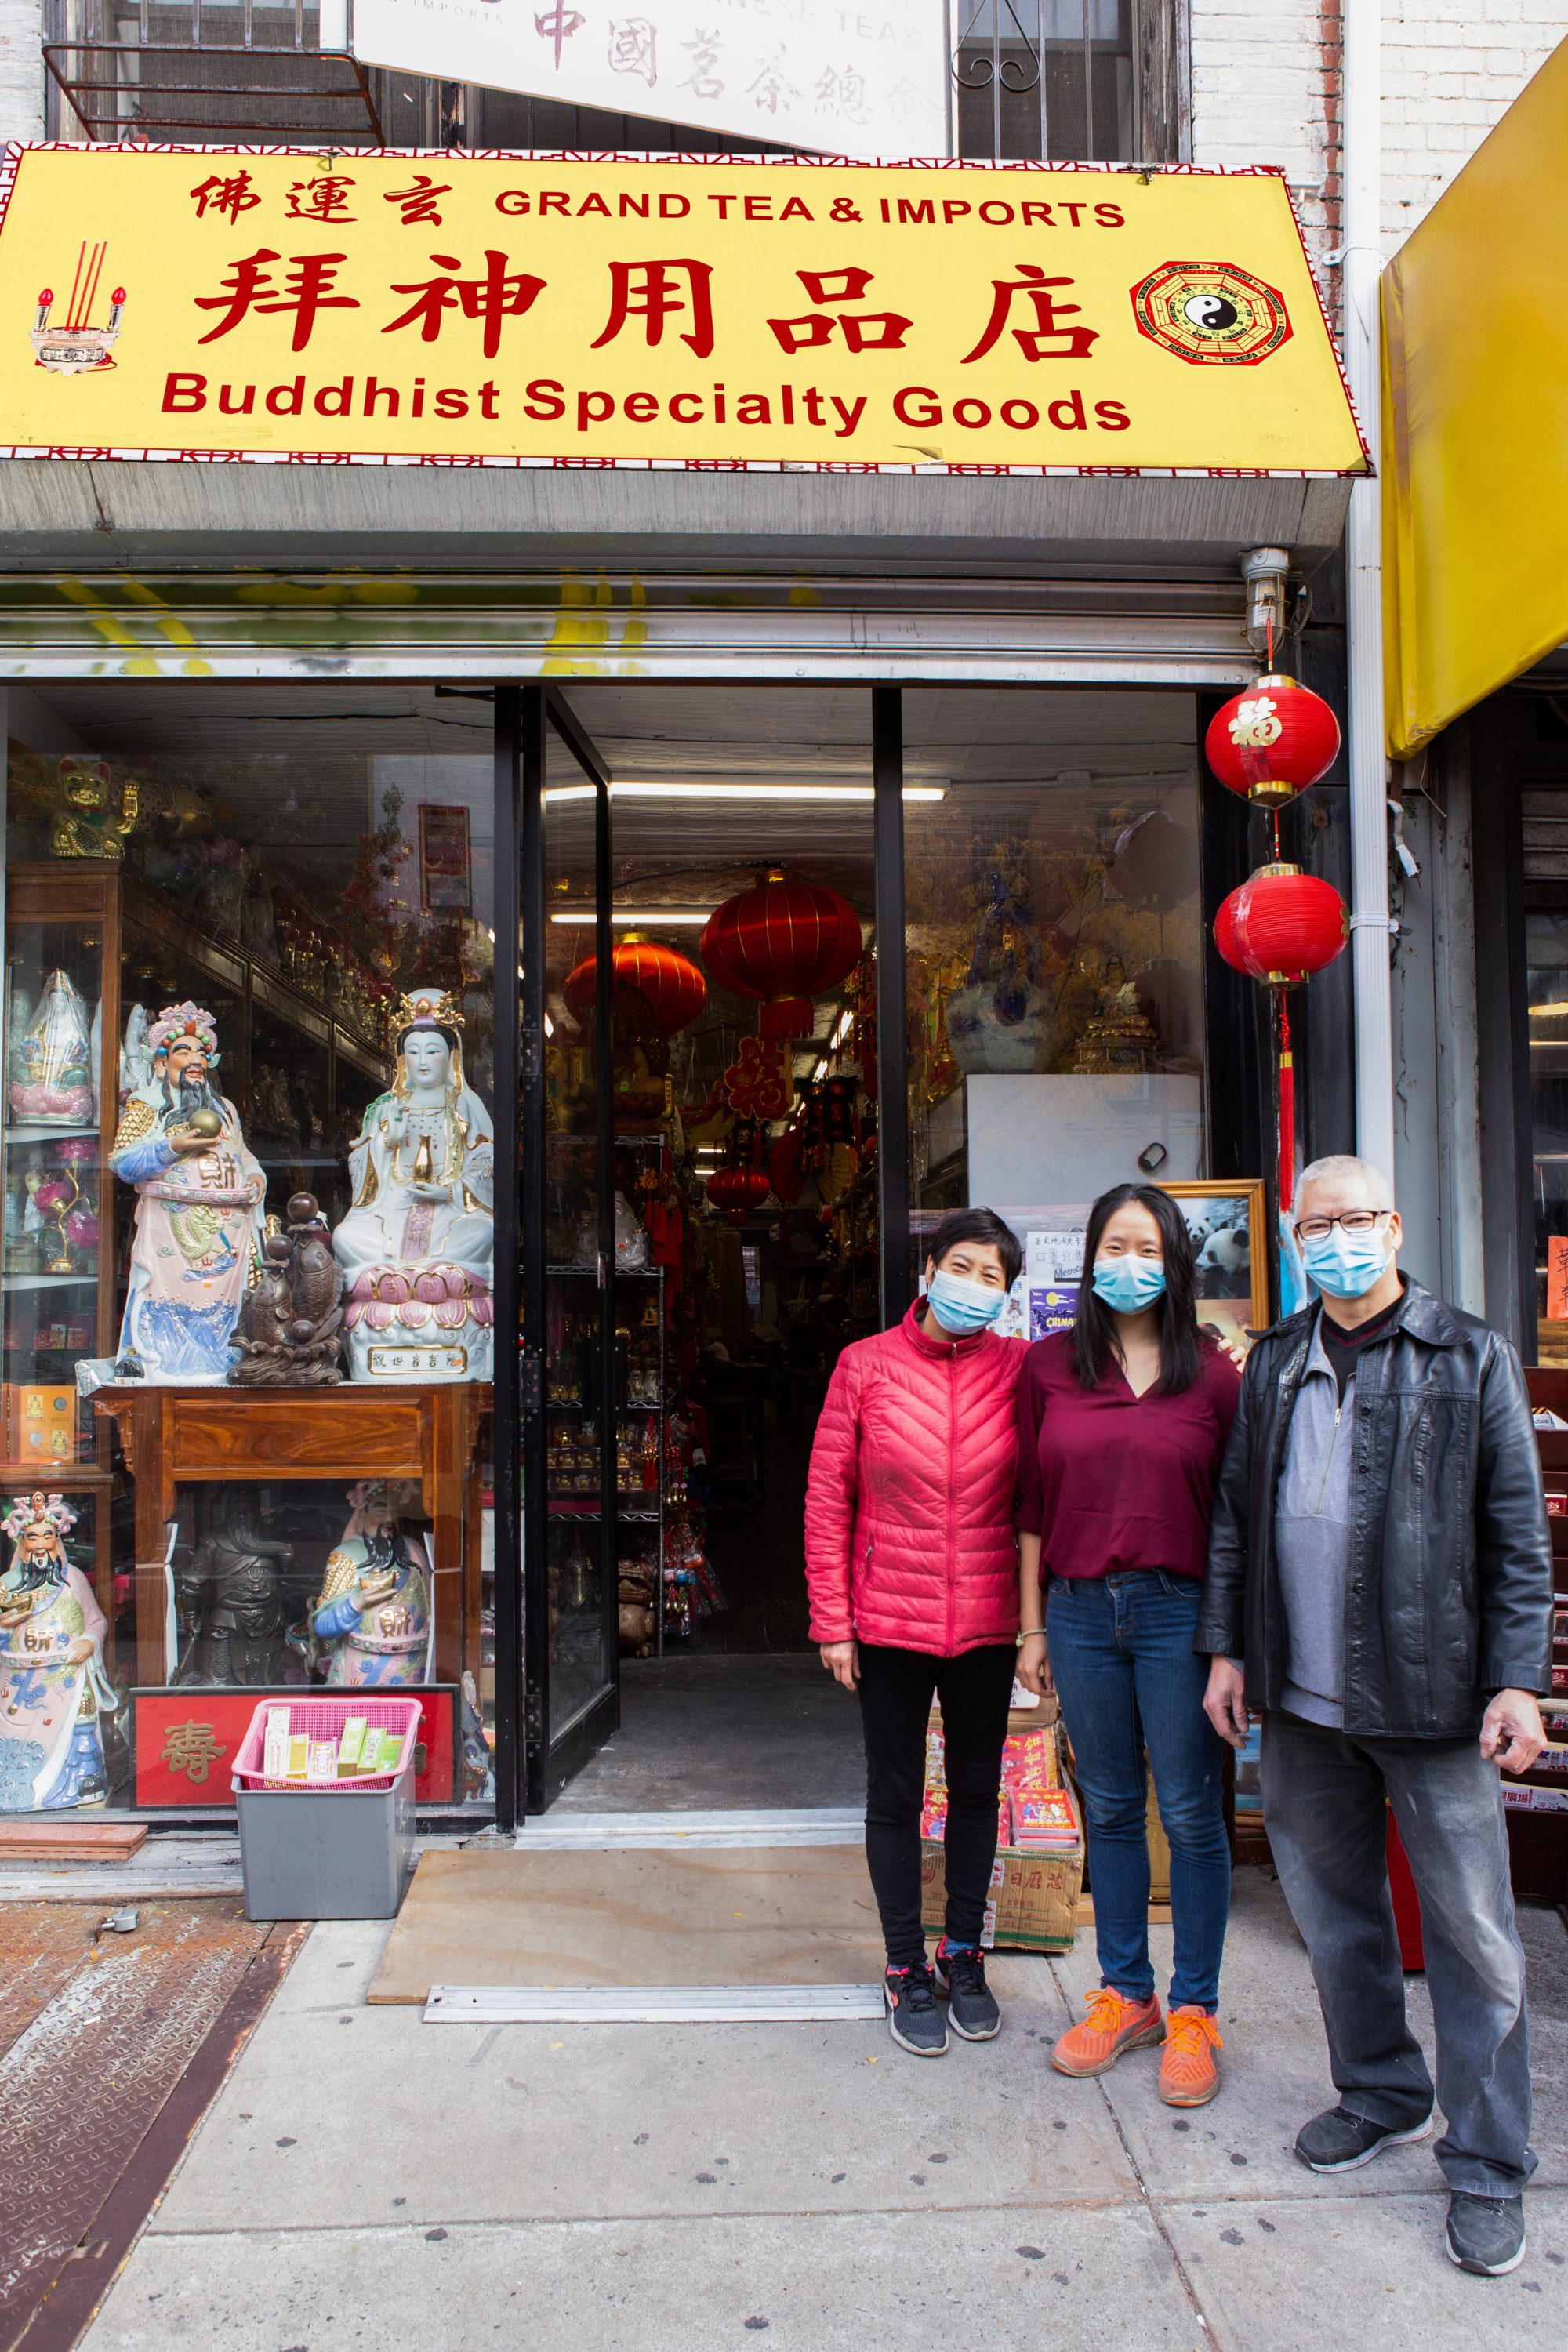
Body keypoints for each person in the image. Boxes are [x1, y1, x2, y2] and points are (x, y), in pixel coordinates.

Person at [1200, 1153, 1552, 2278]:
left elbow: (1515, 1534)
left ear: (1394, 1228)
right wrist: (1229, 1652)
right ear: (1297, 1241)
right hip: (1300, 1699)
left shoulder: (1470, 1353)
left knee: (1474, 1936)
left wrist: (1515, 1679)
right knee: (1338, 1917)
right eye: (1317, 1226)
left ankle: (1490, 2160)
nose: (1335, 1241)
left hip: (1432, 1695)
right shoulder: (1274, 1361)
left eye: (1354, 1221)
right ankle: (1382, 2090)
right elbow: (1234, 1521)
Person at [1015, 1183, 1240, 2107]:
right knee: (1106, 1806)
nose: (1129, 1264)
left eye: (1146, 1248)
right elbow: (1027, 1507)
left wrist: (1228, 1645)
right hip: (1073, 1610)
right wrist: (1029, 1625)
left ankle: (1194, 2009)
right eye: (1114, 1246)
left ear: (1175, 1262)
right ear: (1088, 1259)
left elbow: (1234, 1519)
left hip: (1176, 1614)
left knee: (1187, 1814)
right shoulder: (1046, 1370)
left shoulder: (1215, 1377)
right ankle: (1125, 1994)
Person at [805, 1207, 1025, 2056]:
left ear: (1007, 1293)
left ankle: (962, 1954)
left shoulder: (1023, 1371)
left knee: (975, 1793)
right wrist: (833, 1621)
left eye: (992, 1276)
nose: (974, 1286)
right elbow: (827, 1498)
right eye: (961, 1267)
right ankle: (902, 1966)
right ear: (927, 1271)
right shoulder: (863, 1367)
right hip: (886, 1621)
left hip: (986, 1619)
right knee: (893, 1797)